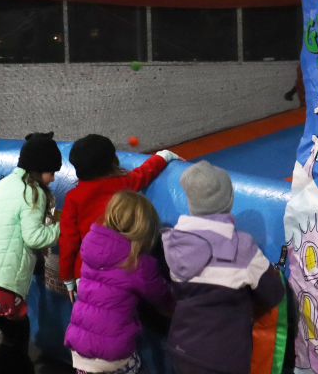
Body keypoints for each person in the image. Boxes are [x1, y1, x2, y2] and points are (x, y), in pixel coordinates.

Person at [161, 161, 285, 374]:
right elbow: (274, 293)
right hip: (223, 358)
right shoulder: (241, 246)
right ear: (229, 201)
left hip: (179, 348)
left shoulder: (173, 241)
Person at [0, 132, 62, 374]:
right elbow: (34, 237)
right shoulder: (32, 192)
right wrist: (65, 225)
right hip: (2, 283)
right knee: (13, 340)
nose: (54, 177)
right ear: (40, 169)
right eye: (52, 172)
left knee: (18, 333)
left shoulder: (3, 184)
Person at [65, 191, 174, 374]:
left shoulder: (91, 244)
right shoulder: (138, 263)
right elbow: (162, 296)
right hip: (112, 354)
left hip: (79, 348)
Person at [60, 134, 181, 300]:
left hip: (86, 272)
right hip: (123, 268)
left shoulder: (74, 197)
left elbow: (68, 241)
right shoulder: (123, 183)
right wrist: (164, 156)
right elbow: (145, 172)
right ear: (112, 162)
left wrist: (67, 278)